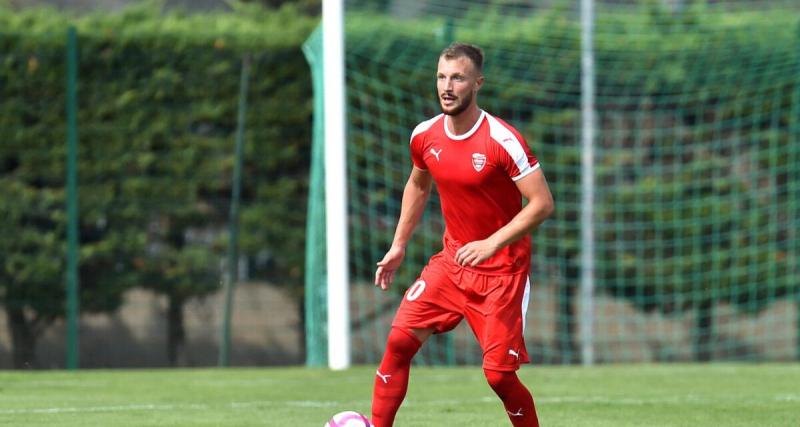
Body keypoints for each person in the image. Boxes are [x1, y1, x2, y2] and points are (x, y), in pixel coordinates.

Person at [370, 42, 554, 427]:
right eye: (441, 76)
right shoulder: (425, 136)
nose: (447, 86)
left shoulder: (503, 140)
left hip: (502, 274)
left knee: (499, 376)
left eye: (457, 77)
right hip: (451, 266)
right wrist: (398, 245)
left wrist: (491, 243)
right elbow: (418, 185)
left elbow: (541, 204)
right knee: (398, 343)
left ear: (477, 83)